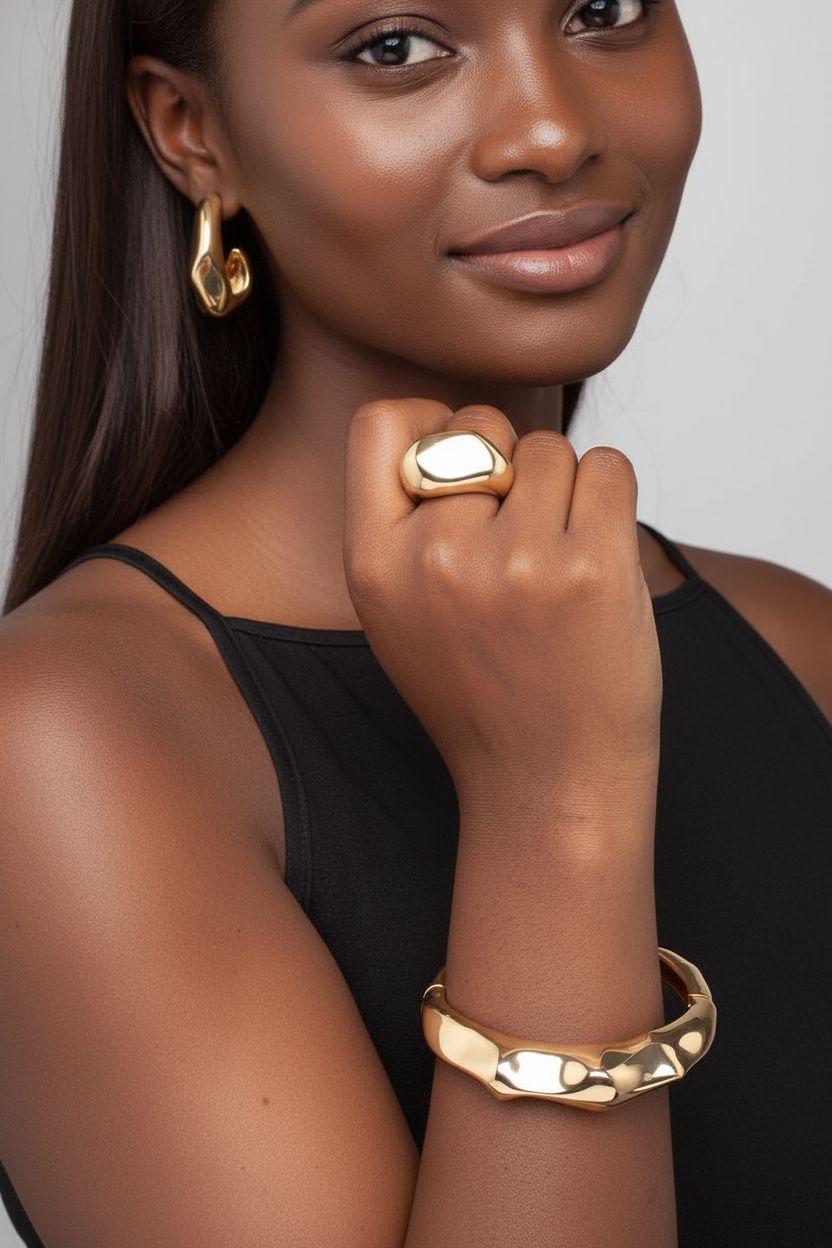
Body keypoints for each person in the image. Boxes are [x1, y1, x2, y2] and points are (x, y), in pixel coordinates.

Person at [1, 0, 830, 1244]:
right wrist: (555, 801)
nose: (552, 129)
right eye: (393, 46)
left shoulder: (799, 643)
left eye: (603, 8)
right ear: (191, 131)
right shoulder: (59, 745)